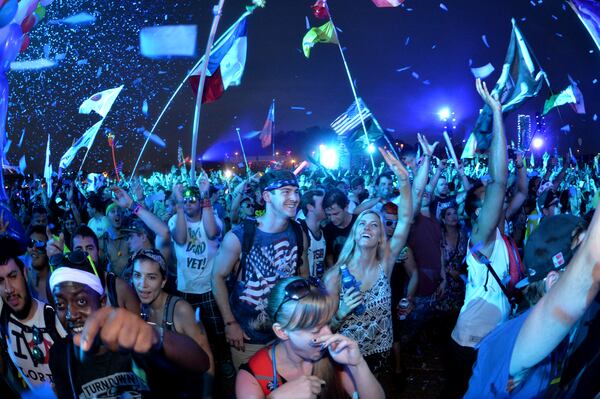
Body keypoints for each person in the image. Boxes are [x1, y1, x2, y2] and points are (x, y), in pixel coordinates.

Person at [465, 211, 599, 398]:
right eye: (578, 257)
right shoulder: (510, 338)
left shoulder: (576, 329)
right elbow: (590, 263)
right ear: (553, 281)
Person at [48, 250, 210, 398]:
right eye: (61, 305)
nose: (71, 314)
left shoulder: (130, 339)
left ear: (102, 302)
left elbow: (201, 363)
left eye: (81, 301)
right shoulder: (61, 355)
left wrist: (154, 335)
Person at [445, 79, 511, 398]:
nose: (495, 200)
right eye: (486, 200)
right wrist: (497, 113)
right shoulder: (481, 236)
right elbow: (499, 181)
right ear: (476, 213)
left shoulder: (498, 231)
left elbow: (514, 187)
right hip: (471, 343)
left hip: (486, 337)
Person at [324, 147, 412, 380]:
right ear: (354, 233)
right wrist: (341, 311)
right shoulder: (334, 277)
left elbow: (404, 219)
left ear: (381, 236)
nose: (367, 227)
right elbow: (324, 330)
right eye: (362, 224)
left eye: (374, 225)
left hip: (380, 356)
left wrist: (403, 179)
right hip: (347, 362)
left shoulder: (386, 263)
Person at [212, 170, 309, 369]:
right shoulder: (240, 236)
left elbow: (303, 276)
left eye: (296, 191)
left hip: (287, 332)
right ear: (266, 196)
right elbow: (217, 277)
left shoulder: (299, 233)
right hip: (248, 337)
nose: (294, 198)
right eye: (285, 191)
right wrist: (230, 323)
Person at [235, 277, 385, 399]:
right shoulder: (253, 377)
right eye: (316, 330)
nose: (329, 334)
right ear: (282, 332)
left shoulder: (333, 358)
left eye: (327, 323)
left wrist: (358, 365)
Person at [131, 248, 215, 396]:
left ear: (163, 281)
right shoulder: (136, 307)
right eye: (137, 275)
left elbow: (207, 360)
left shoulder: (180, 310)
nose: (142, 285)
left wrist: (207, 395)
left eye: (151, 277)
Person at [0, 235, 67, 394]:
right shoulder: (4, 316)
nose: (9, 289)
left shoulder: (55, 319)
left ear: (24, 272)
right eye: (0, 281)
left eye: (13, 276)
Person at [299, 189, 327, 279]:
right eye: (323, 204)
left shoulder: (324, 231)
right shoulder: (300, 231)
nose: (327, 207)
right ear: (310, 207)